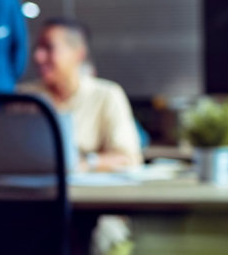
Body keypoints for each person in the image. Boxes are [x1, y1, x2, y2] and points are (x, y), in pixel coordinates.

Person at [19, 18, 142, 171]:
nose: (38, 56)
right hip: (30, 191)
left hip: (88, 192)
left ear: (79, 54)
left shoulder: (107, 95)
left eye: (49, 48)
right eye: (38, 48)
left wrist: (85, 163)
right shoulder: (24, 96)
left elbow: (129, 157)